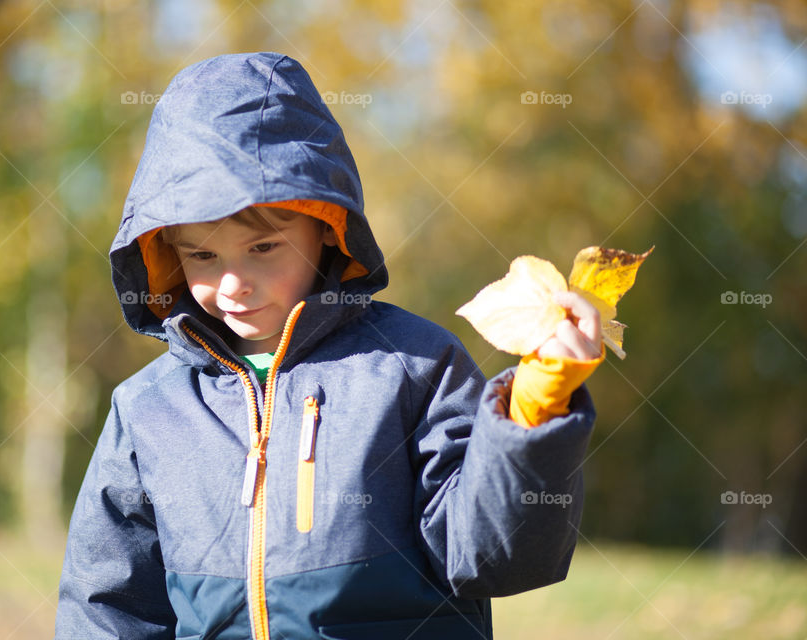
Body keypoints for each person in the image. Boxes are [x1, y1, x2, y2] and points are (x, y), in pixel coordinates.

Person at [54, 51, 605, 640]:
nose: (234, 283)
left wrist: (535, 408)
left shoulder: (415, 367)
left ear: (327, 228)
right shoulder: (148, 409)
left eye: (263, 247)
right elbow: (106, 605)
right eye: (202, 256)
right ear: (165, 253)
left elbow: (495, 555)